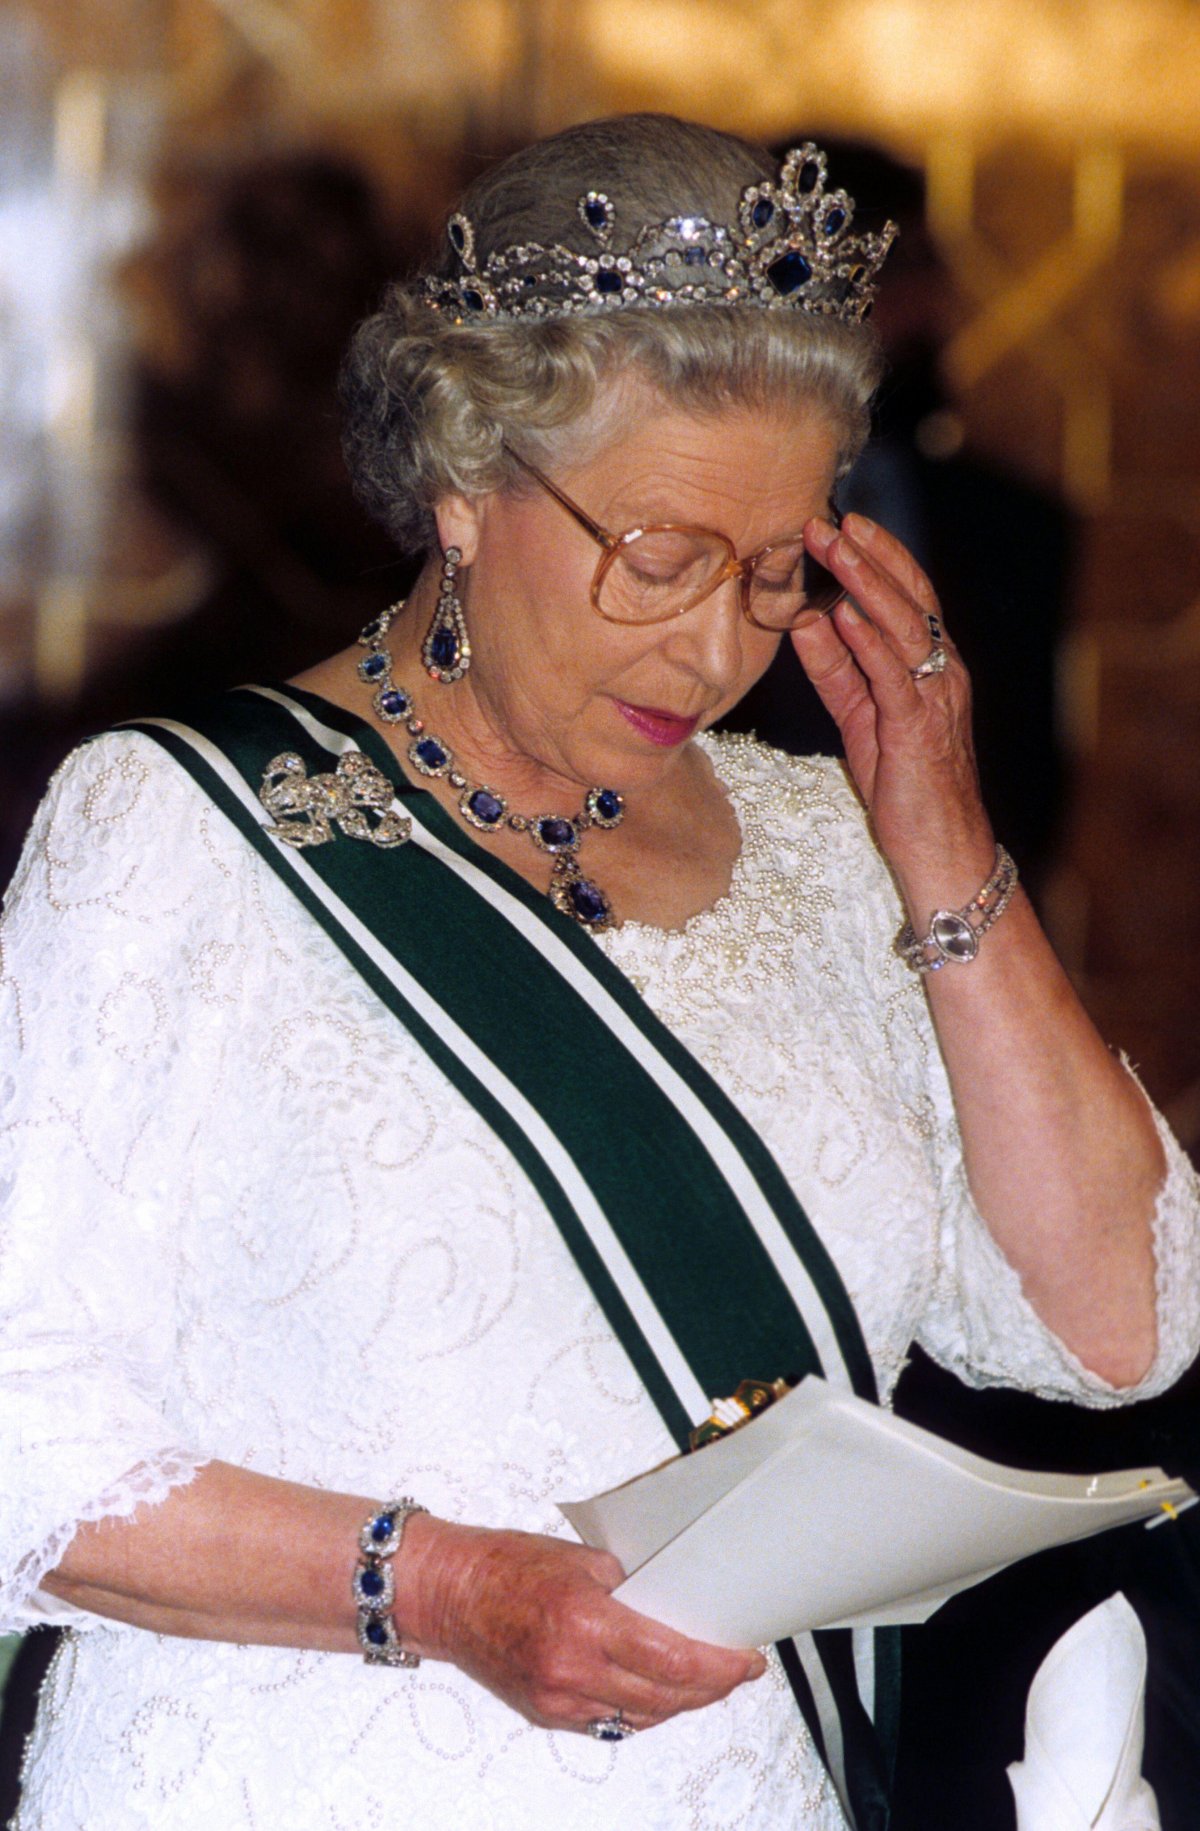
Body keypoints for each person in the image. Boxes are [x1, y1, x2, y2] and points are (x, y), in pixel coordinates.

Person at [1, 113, 1197, 1831]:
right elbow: (17, 1433)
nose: (716, 649)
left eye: (776, 573)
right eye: (659, 557)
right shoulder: (179, 833)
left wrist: (942, 843)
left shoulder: (821, 841)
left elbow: (1119, 1328)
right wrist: (440, 1591)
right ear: (466, 483)